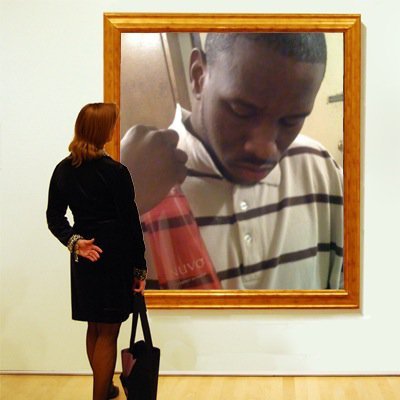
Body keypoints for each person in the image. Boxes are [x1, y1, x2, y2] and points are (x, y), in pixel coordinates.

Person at [121, 33, 343, 290]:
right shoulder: (137, 182)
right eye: (241, 110)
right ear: (198, 75)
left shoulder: (319, 167)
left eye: (291, 120)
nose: (264, 150)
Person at [46, 103, 147, 400]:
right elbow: (131, 224)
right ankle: (99, 395)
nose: (114, 128)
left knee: (94, 326)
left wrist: (74, 242)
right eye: (112, 124)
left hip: (85, 256)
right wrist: (139, 268)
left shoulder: (63, 170)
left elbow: (54, 217)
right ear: (102, 130)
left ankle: (104, 388)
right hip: (114, 254)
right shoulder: (116, 172)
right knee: (109, 331)